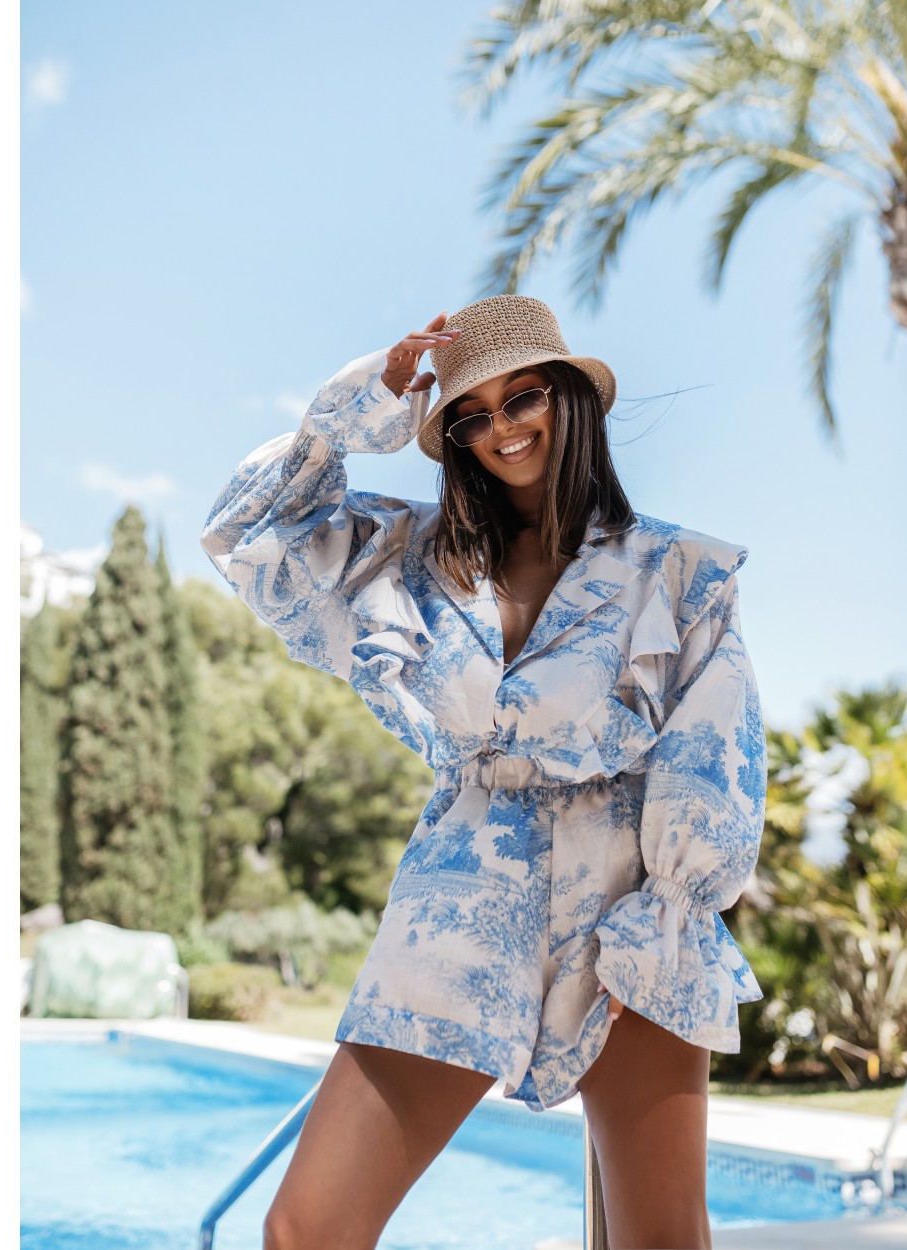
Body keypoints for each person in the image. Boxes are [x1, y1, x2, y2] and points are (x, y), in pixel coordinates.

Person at [200, 294, 768, 1250]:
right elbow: (246, 533)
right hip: (457, 900)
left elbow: (714, 751)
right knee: (306, 1227)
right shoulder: (407, 559)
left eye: (524, 397)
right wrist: (366, 402)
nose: (502, 428)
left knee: (663, 1238)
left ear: (570, 398)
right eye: (472, 415)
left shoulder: (679, 570)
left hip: (630, 910)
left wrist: (665, 913)